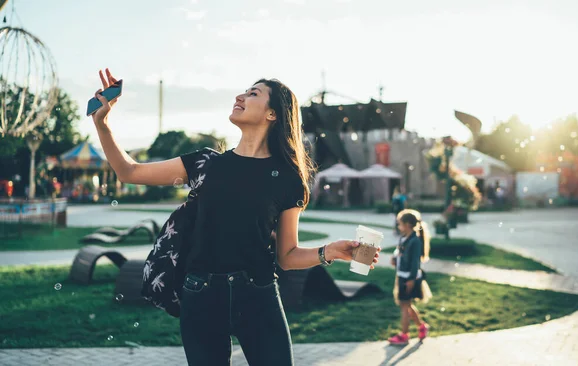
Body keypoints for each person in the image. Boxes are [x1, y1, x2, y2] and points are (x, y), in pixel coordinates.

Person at [89, 68, 380, 366]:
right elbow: (130, 172)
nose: (240, 96)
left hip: (259, 294)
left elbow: (287, 255)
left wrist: (328, 252)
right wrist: (103, 123)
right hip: (200, 294)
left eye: (253, 93)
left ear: (273, 114)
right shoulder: (205, 163)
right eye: (244, 91)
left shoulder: (289, 179)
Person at [388, 209, 431, 346]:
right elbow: (401, 254)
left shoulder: (415, 241)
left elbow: (415, 263)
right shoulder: (404, 238)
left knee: (404, 307)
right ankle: (422, 327)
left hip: (409, 278)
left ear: (407, 224)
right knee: (406, 305)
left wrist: (411, 280)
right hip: (402, 275)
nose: (398, 226)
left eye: (400, 224)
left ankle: (404, 335)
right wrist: (395, 259)